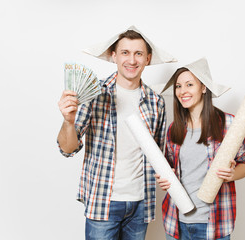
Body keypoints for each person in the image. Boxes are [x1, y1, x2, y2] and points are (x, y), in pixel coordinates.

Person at [57, 26, 176, 240]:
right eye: (125, 53)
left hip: (141, 204)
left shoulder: (156, 102)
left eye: (138, 53)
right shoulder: (95, 94)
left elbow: (159, 155)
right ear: (114, 56)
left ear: (147, 58)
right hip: (103, 201)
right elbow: (68, 149)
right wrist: (68, 122)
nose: (132, 60)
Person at [156, 58, 245, 240]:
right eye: (178, 86)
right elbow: (170, 169)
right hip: (176, 222)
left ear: (203, 88)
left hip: (214, 224)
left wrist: (232, 174)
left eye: (189, 84)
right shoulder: (174, 129)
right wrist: (166, 178)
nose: (182, 91)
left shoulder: (228, 124)